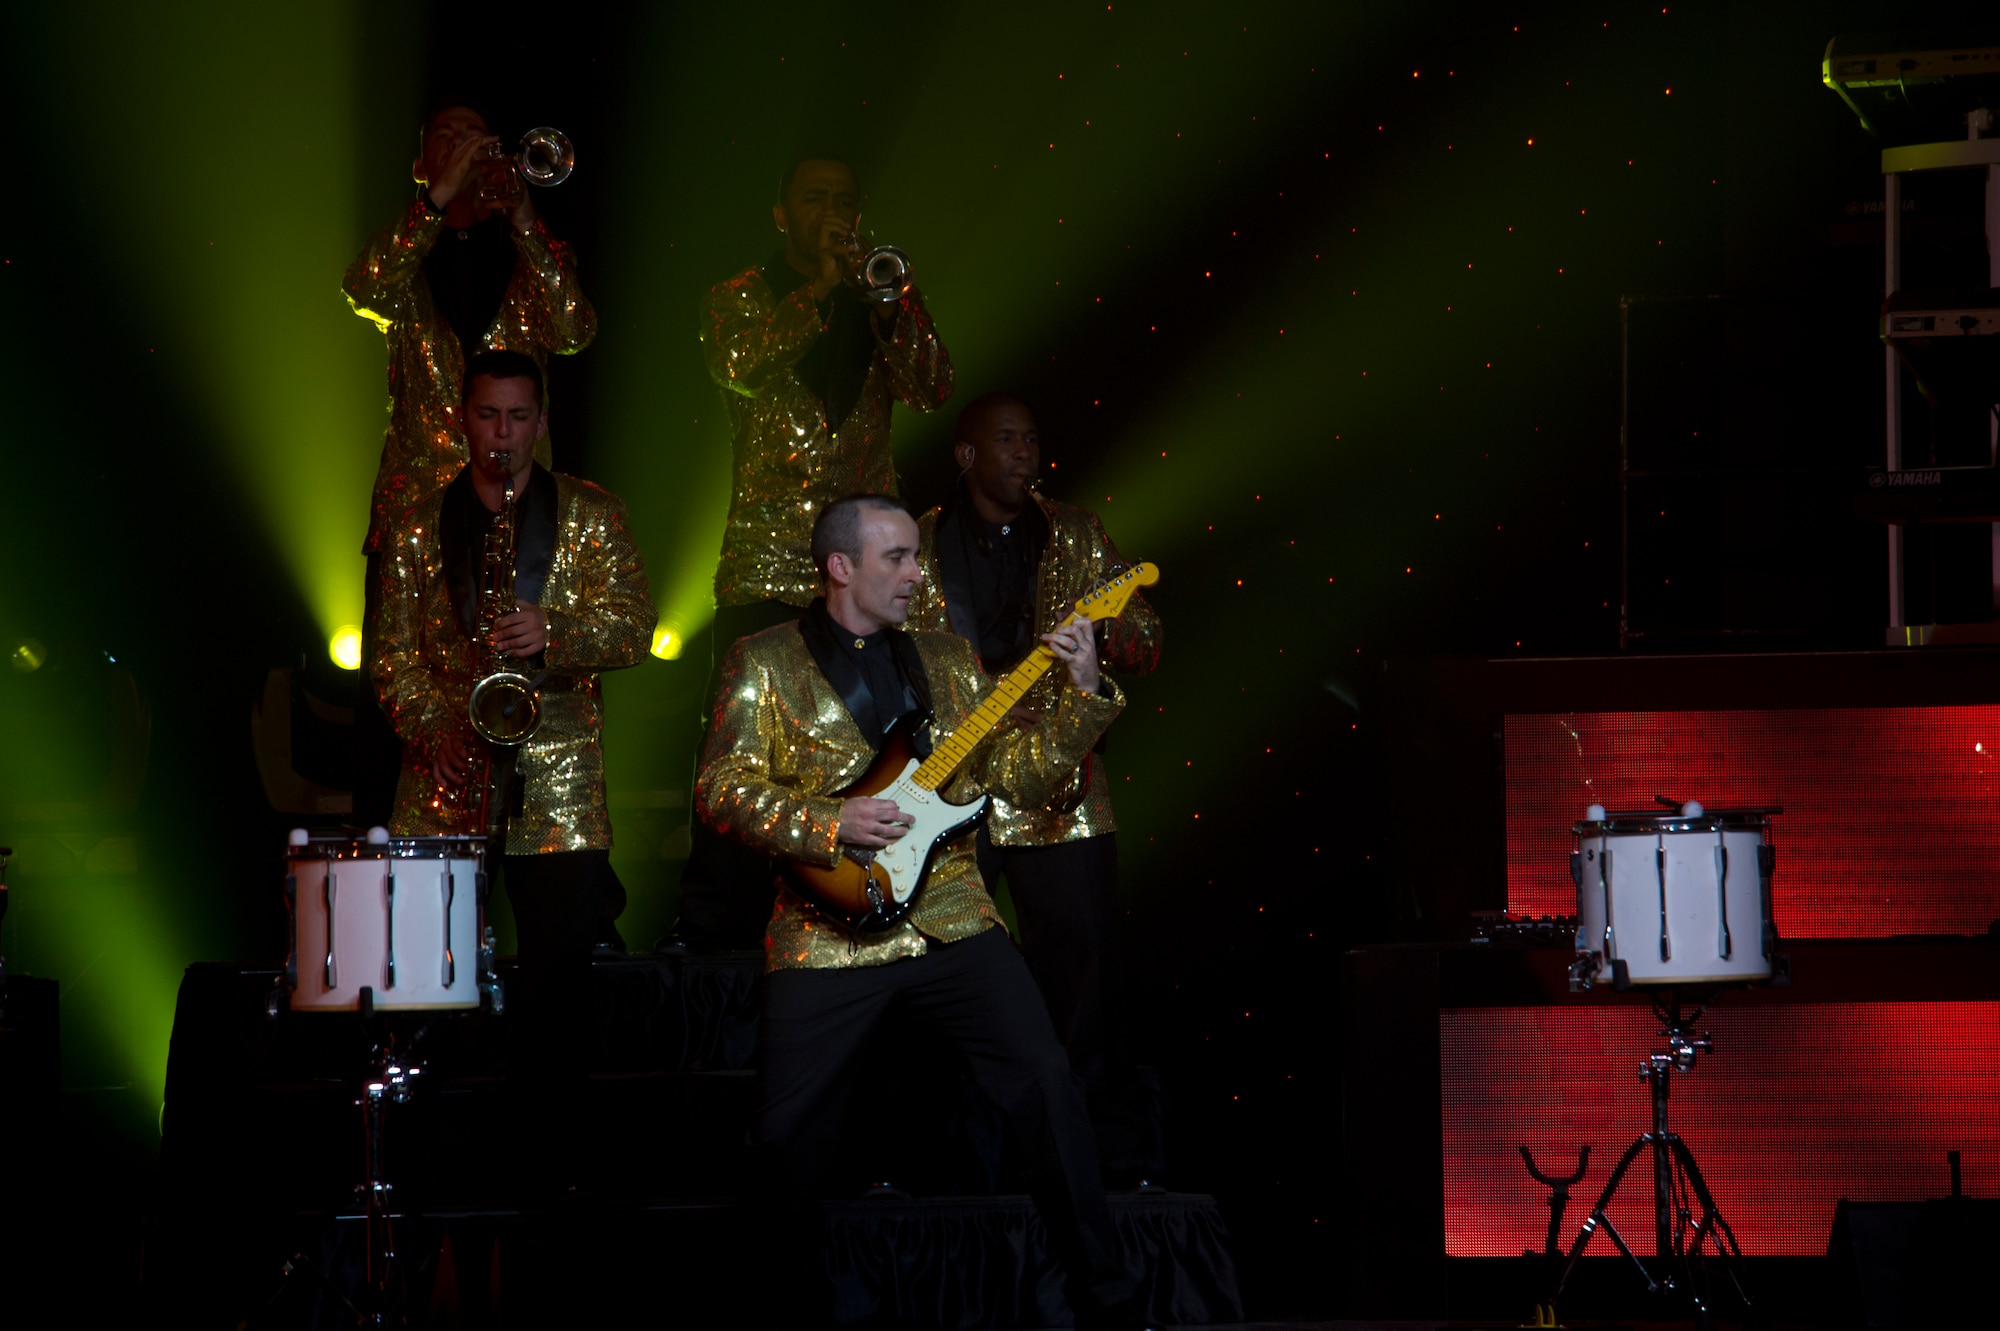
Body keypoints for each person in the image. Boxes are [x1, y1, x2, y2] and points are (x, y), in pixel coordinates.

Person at [695, 495, 1150, 1328]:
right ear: (841, 567)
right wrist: (830, 822)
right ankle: (770, 1317)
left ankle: (1109, 1302)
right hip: (824, 931)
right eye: (898, 557)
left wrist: (1083, 693)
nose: (917, 572)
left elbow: (1019, 777)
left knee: (1048, 1085)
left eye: (916, 556)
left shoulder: (944, 658)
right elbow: (721, 789)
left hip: (949, 913)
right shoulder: (763, 659)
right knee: (783, 1139)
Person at [373, 349, 652, 1185]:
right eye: (489, 417)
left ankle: (547, 1160)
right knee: (427, 974)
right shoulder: (419, 521)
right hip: (446, 773)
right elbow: (389, 657)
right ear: (463, 418)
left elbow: (636, 629)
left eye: (519, 417)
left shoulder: (594, 514)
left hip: (560, 780)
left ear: (542, 417)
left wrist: (554, 632)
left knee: (557, 983)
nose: (503, 436)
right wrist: (436, 730)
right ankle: (431, 1154)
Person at [677, 154, 954, 949]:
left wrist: (893, 302)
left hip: (863, 576)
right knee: (744, 753)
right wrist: (825, 291)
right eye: (816, 199)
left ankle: (871, 908)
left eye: (844, 199)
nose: (832, 211)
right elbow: (740, 367)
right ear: (781, 214)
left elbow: (935, 386)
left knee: (876, 745)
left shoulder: (880, 296)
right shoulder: (738, 298)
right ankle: (715, 935)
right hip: (767, 562)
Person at [908, 392, 1163, 1179]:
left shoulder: (1077, 533)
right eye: (1008, 439)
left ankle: (1090, 1151)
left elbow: (1147, 640)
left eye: (1033, 438)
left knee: (1081, 973)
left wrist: (1104, 637)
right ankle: (960, 1155)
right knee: (945, 969)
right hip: (957, 787)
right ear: (966, 455)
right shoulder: (917, 543)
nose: (1026, 453)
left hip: (1064, 786)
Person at [345, 101, 597, 825]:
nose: (470, 149)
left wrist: (524, 219)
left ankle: (559, 878)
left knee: (532, 687)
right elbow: (362, 287)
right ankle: (386, 863)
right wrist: (435, 202)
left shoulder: (532, 253)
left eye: (478, 137)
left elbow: (576, 329)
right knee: (397, 692)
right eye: (447, 140)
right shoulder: (404, 256)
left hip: (521, 512)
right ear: (423, 164)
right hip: (418, 520)